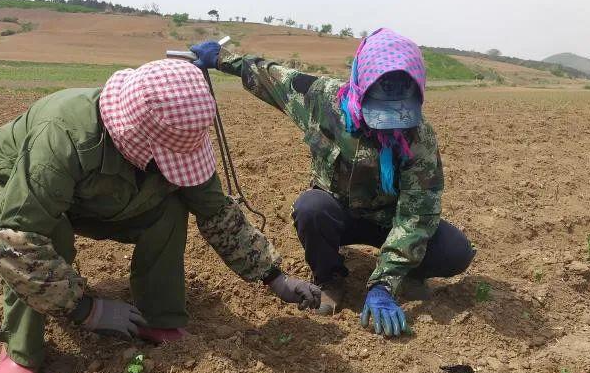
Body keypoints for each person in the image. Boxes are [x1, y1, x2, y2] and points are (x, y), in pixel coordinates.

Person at [0, 59, 320, 373]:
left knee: (168, 207)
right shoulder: (63, 135)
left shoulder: (178, 132)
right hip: (10, 188)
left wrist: (275, 277)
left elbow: (216, 211)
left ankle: (158, 316)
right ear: (137, 135)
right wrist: (89, 311)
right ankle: (20, 346)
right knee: (48, 231)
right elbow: (15, 239)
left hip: (92, 197)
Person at [190, 28, 475, 337]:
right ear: (361, 83)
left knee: (454, 251)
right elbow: (272, 77)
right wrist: (221, 59)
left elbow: (417, 216)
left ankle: (408, 273)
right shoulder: (323, 99)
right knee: (311, 208)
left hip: (390, 221)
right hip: (338, 214)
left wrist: (384, 283)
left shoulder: (420, 137)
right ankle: (331, 278)